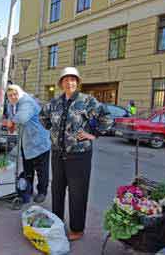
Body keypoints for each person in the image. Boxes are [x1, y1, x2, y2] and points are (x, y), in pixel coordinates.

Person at [40, 67, 113, 241]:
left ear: (77, 82)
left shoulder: (87, 100)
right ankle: (57, 222)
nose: (69, 82)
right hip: (58, 153)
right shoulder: (55, 102)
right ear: (61, 83)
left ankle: (77, 229)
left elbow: (107, 118)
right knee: (57, 190)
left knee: (77, 193)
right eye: (66, 79)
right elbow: (43, 116)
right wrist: (53, 131)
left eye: (73, 79)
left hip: (79, 155)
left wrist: (93, 134)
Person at [6, 84, 51, 203]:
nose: (13, 97)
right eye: (10, 95)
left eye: (15, 94)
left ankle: (42, 192)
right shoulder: (13, 104)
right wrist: (11, 120)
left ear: (20, 93)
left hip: (39, 142)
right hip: (26, 142)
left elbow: (22, 118)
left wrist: (11, 121)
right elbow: (10, 114)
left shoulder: (27, 101)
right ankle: (28, 189)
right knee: (28, 169)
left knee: (42, 171)